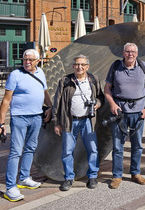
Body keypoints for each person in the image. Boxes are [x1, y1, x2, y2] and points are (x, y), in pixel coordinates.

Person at [0, 49, 52, 202]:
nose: (27, 62)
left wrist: (51, 106)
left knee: (31, 148)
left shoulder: (40, 73)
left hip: (36, 117)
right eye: (25, 59)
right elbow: (6, 99)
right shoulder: (15, 75)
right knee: (15, 152)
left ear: (38, 60)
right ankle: (10, 187)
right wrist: (0, 122)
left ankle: (24, 178)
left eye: (30, 60)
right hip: (19, 118)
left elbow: (44, 92)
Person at [104, 43, 145, 189]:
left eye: (133, 52)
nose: (130, 54)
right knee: (118, 146)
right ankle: (117, 176)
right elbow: (107, 88)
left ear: (137, 54)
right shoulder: (115, 67)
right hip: (119, 113)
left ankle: (135, 173)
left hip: (138, 113)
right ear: (123, 53)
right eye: (127, 51)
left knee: (137, 145)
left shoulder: (144, 67)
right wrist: (112, 104)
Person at [52, 54, 104, 191]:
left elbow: (100, 97)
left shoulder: (93, 80)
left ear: (87, 66)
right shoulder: (65, 81)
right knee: (67, 151)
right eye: (76, 64)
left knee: (92, 149)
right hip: (70, 121)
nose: (79, 67)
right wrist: (56, 122)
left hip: (88, 120)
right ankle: (69, 178)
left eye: (82, 64)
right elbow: (56, 102)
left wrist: (98, 103)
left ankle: (92, 176)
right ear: (73, 66)